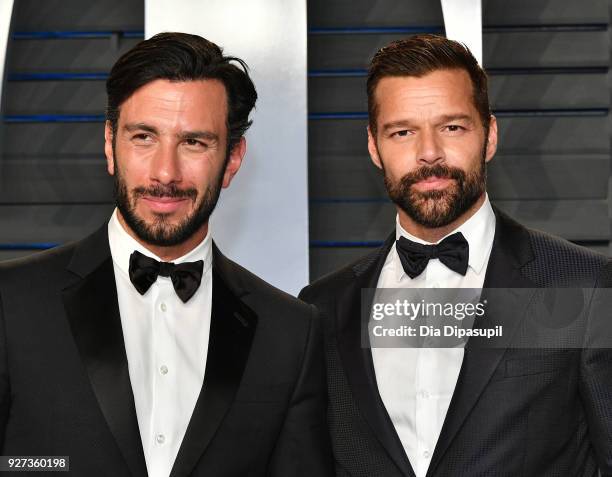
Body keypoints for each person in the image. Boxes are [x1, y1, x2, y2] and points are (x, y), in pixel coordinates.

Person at [0, 32, 333, 477]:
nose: (165, 172)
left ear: (232, 159)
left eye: (194, 142)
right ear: (109, 144)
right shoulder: (11, 302)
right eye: (143, 137)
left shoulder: (291, 332)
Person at [300, 34, 612, 476]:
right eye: (403, 131)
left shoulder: (584, 287)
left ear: (489, 136)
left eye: (452, 127)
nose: (429, 153)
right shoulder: (322, 309)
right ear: (374, 147)